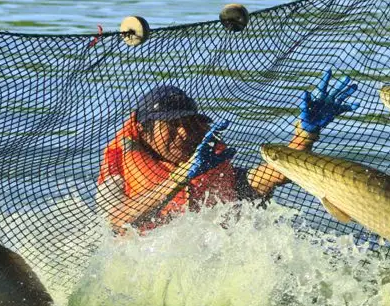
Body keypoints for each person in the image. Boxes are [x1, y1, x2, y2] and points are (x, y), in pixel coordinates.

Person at [96, 70, 358, 233]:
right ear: (144, 130)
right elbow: (117, 220)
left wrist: (305, 134)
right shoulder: (117, 174)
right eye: (172, 126)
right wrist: (182, 176)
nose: (184, 134)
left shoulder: (212, 166)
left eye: (189, 124)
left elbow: (276, 172)